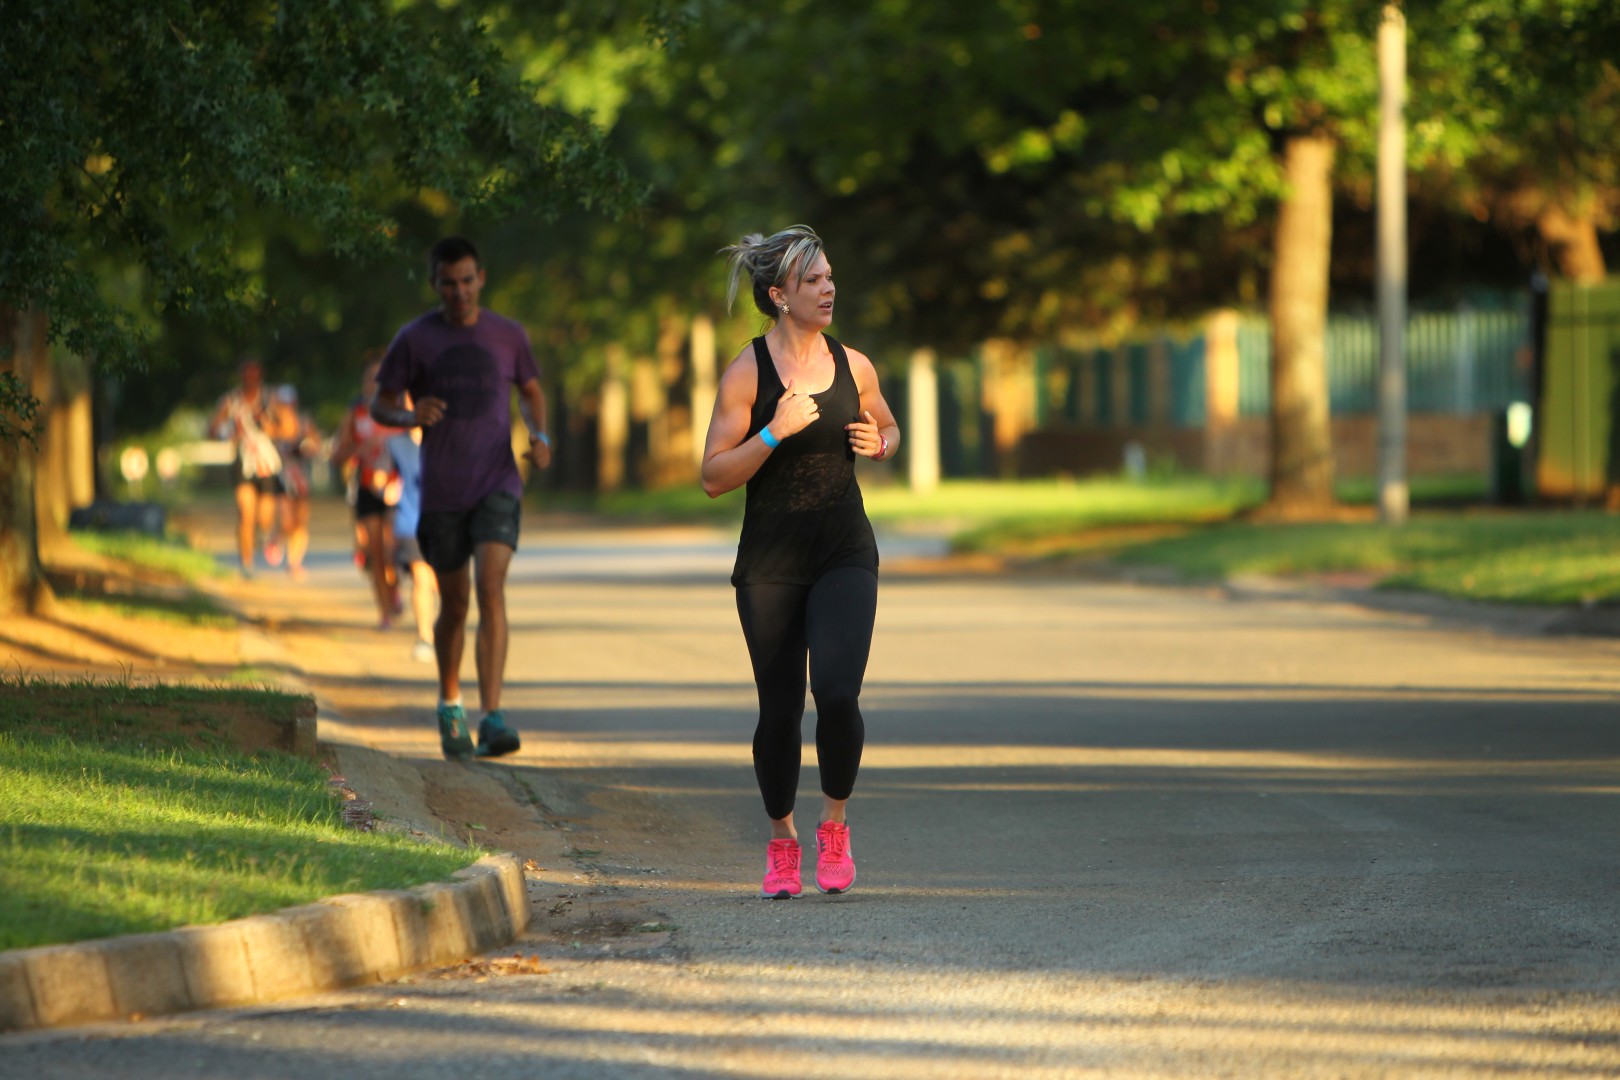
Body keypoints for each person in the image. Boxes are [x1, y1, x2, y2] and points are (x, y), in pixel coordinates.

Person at [700, 225, 900, 899]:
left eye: (830, 277)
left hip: (844, 550)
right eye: (813, 280)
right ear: (780, 296)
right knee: (780, 709)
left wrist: (881, 442)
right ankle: (782, 838)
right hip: (771, 563)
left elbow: (887, 424)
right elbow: (713, 476)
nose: (828, 288)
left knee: (838, 694)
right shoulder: (747, 372)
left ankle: (834, 825)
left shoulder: (855, 366)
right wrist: (771, 432)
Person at [369, 236, 552, 761]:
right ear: (435, 284)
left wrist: (540, 434)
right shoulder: (414, 339)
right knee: (454, 604)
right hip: (442, 492)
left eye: (468, 280)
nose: (460, 291)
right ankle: (450, 703)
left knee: (491, 588)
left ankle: (492, 716)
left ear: (481, 279)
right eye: (449, 283)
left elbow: (531, 392)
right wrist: (409, 415)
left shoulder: (508, 335)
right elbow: (381, 403)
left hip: (497, 482)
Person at [332, 359, 404, 628]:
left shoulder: (400, 411)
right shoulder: (356, 413)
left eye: (380, 378)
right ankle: (384, 612)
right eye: (370, 379)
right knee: (376, 553)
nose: (374, 384)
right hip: (367, 487)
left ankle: (394, 586)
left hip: (397, 489)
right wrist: (358, 450)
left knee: (391, 550)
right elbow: (338, 454)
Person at [208, 357, 287, 578]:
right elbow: (212, 429)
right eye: (246, 374)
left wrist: (270, 428)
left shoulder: (270, 398)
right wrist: (227, 434)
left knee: (265, 517)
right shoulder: (230, 401)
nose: (251, 379)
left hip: (266, 463)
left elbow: (286, 427)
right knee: (245, 512)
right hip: (243, 462)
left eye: (255, 374)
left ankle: (266, 535)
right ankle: (246, 562)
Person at [387, 418, 439, 664]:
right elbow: (380, 477)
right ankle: (425, 637)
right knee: (421, 577)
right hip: (410, 522)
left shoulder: (445, 439)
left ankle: (441, 629)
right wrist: (385, 486)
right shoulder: (394, 445)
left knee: (440, 582)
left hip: (444, 521)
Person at [271, 384, 322, 581]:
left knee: (300, 521)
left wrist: (309, 447)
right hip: (282, 476)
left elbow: (316, 445)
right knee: (286, 521)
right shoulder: (272, 424)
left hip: (301, 477)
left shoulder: (304, 422)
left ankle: (294, 562)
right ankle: (277, 537)